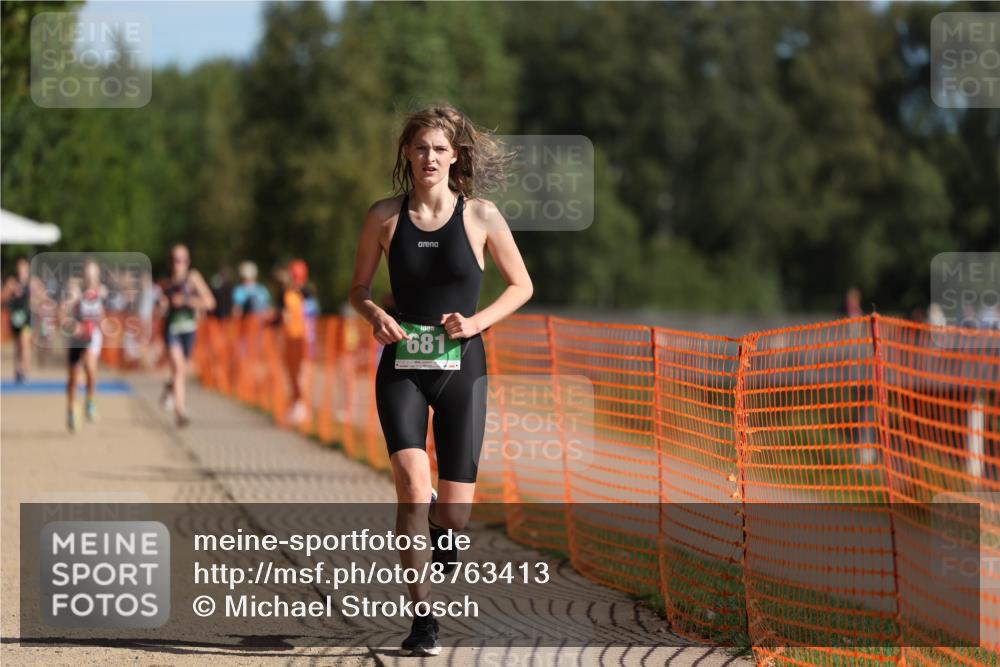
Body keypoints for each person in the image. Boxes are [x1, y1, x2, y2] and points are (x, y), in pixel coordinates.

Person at [349, 105, 533, 655]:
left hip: (462, 369)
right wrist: (375, 316)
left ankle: (443, 523)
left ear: (455, 157)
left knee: (454, 514)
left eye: (439, 148)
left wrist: (474, 323)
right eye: (420, 147)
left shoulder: (481, 216)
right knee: (408, 486)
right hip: (403, 365)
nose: (429, 157)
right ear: (406, 152)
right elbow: (357, 288)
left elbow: (521, 285)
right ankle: (423, 618)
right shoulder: (384, 216)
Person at [159, 244, 216, 427]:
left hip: (189, 330)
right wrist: (164, 305)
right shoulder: (168, 283)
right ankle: (180, 411)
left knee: (181, 371)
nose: (179, 264)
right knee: (178, 365)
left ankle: (170, 388)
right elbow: (162, 306)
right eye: (176, 260)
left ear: (188, 261)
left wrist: (186, 301)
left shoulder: (193, 278)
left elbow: (209, 302)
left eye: (182, 260)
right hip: (172, 329)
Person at [62, 258, 105, 432]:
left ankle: (90, 401)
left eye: (94, 276)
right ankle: (72, 409)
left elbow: (101, 316)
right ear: (83, 277)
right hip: (76, 339)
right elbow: (61, 315)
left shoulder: (99, 294)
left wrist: (104, 324)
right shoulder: (75, 293)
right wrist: (73, 325)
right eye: (88, 276)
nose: (91, 280)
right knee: (73, 380)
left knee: (90, 370)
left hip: (92, 337)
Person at [280, 259, 312, 424]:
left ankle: (301, 406)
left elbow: (306, 320)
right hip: (291, 339)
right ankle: (295, 405)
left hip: (299, 340)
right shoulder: (290, 294)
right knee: (292, 374)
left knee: (299, 373)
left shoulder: (303, 296)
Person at [2, 257, 35, 382]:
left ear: (27, 269)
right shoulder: (12, 282)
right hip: (15, 318)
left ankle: (24, 369)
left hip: (26, 318)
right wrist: (11, 291)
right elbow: (3, 297)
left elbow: (40, 295)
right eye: (19, 268)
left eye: (24, 268)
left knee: (24, 343)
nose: (22, 270)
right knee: (17, 346)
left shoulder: (31, 282)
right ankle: (17, 369)